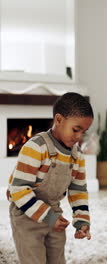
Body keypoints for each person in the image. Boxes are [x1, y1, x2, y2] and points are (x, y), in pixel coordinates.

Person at [7, 92, 94, 263]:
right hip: (26, 216)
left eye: (83, 132)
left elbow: (78, 190)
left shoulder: (77, 155)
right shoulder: (35, 147)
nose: (79, 137)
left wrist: (82, 220)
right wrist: (48, 217)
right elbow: (18, 190)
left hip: (54, 212)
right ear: (59, 120)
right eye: (76, 130)